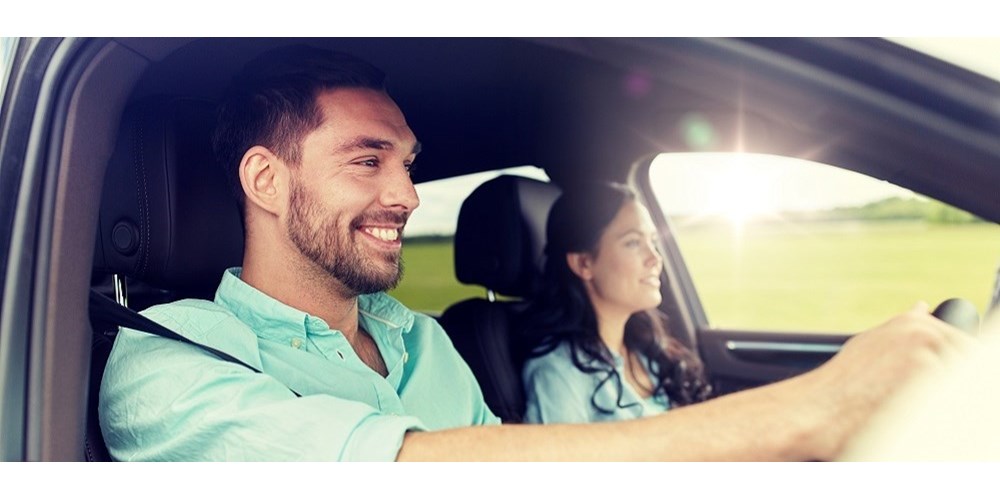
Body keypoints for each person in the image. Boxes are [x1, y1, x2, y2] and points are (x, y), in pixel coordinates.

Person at [100, 44, 971, 461]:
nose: (405, 195)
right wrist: (813, 413)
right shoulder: (169, 362)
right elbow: (403, 470)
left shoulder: (421, 339)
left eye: (408, 164)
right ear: (265, 179)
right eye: (368, 160)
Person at [522, 182, 711, 424]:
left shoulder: (647, 350)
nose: (655, 258)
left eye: (652, 241)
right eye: (633, 243)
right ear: (584, 264)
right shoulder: (558, 374)